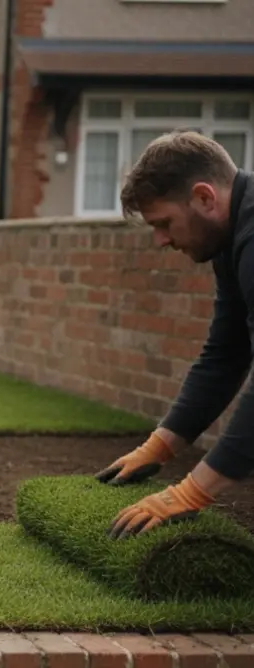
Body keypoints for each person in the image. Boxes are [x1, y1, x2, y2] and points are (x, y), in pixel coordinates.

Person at [95, 130, 254, 539]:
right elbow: (226, 353)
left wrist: (192, 491)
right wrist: (160, 446)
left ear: (204, 197)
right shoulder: (231, 240)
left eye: (164, 223)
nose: (161, 240)